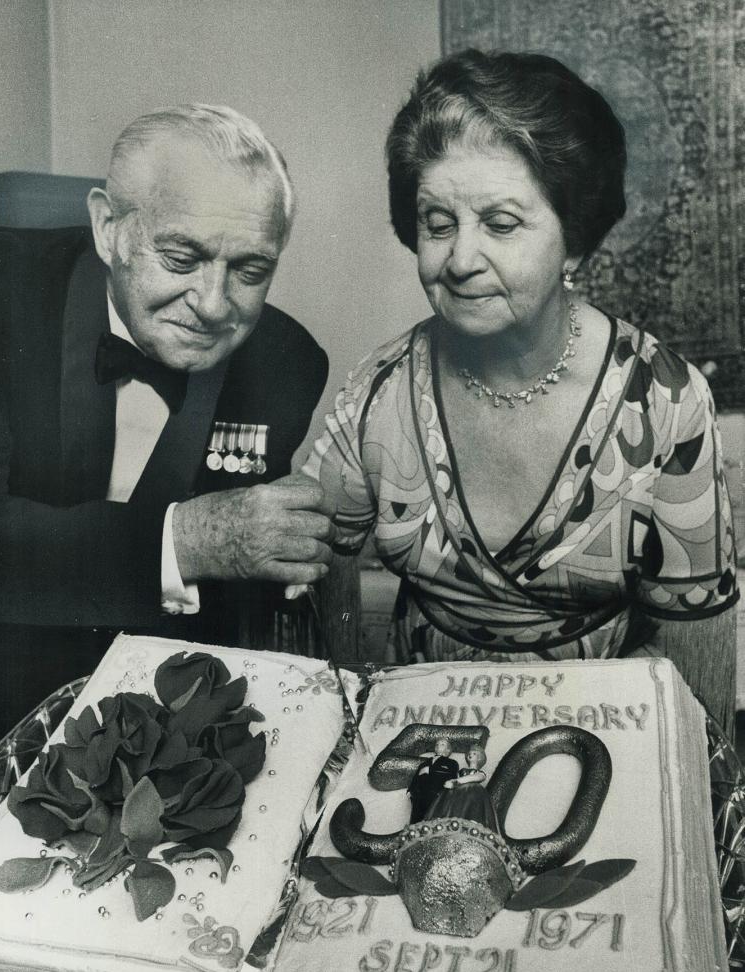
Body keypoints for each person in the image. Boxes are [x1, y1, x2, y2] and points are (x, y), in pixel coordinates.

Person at [304, 50, 738, 731]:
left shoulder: (662, 400)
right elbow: (311, 549)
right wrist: (345, 702)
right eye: (437, 223)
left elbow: (695, 647)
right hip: (415, 742)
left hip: (606, 738)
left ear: (573, 243)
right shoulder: (378, 390)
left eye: (500, 224)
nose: (459, 260)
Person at [0, 104, 332, 791]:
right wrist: (182, 541)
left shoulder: (287, 361)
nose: (213, 305)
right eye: (181, 257)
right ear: (108, 227)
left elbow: (228, 619)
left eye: (250, 270)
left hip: (164, 749)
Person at [426, 742, 500, 832]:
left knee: (472, 805)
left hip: (472, 791)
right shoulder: (461, 771)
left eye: (474, 754)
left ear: (479, 758)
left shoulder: (480, 773)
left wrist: (457, 781)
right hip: (456, 792)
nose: (470, 755)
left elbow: (476, 777)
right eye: (469, 753)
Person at [407, 736, 459, 821]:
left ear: (448, 749)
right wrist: (411, 790)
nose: (438, 746)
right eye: (437, 744)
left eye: (442, 744)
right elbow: (416, 777)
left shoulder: (452, 763)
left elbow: (451, 777)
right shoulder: (425, 763)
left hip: (437, 795)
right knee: (416, 820)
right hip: (420, 796)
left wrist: (431, 770)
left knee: (432, 820)